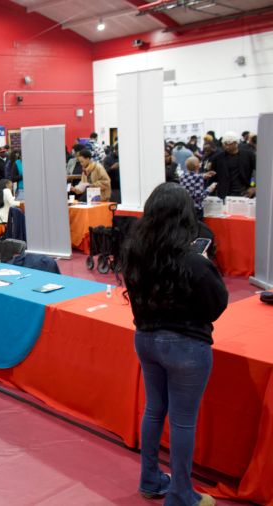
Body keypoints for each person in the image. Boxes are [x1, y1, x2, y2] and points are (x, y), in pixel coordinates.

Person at [120, 182, 228, 506]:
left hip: (146, 339)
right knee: (182, 420)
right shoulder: (194, 261)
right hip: (186, 347)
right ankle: (181, 493)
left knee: (154, 409)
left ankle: (150, 479)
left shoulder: (135, 253)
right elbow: (217, 304)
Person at [209, 131, 256, 199]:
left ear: (236, 143)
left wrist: (253, 186)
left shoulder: (249, 156)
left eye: (228, 144)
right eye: (224, 143)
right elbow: (213, 177)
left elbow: (255, 173)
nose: (226, 146)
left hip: (245, 192)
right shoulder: (217, 158)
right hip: (224, 194)